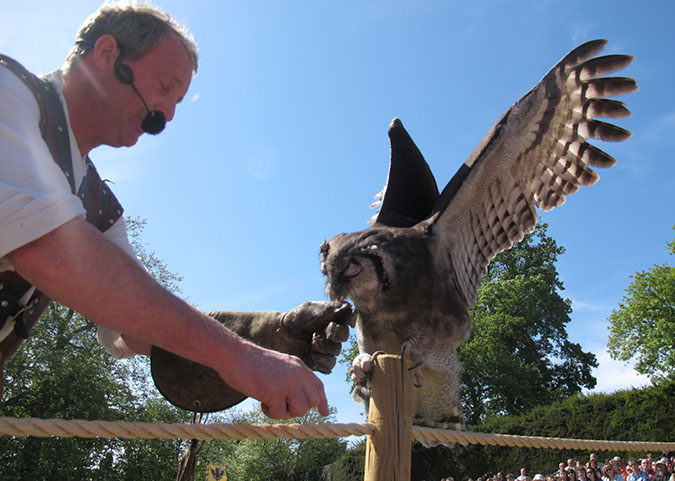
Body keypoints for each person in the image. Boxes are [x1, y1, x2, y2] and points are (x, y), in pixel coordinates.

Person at [0, 1, 353, 418]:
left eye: (177, 102)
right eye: (164, 85)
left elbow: (129, 328)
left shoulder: (100, 208)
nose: (166, 114)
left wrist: (269, 336)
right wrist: (238, 356)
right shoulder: (9, 93)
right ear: (107, 55)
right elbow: (47, 249)